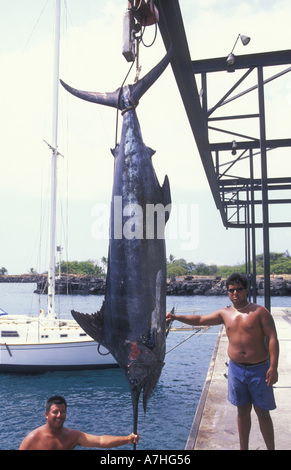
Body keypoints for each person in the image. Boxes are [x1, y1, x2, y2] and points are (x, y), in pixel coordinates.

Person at [166, 272, 279, 450]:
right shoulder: (225, 313)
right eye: (231, 290)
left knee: (262, 412)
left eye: (239, 290)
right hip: (236, 370)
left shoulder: (260, 312)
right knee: (242, 411)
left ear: (246, 290)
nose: (235, 294)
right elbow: (201, 320)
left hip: (259, 369)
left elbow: (272, 338)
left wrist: (273, 367)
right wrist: (176, 317)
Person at [19, 395, 139, 450]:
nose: (59, 416)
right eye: (55, 412)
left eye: (63, 412)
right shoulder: (32, 439)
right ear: (46, 415)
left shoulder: (72, 436)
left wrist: (128, 439)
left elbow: (100, 441)